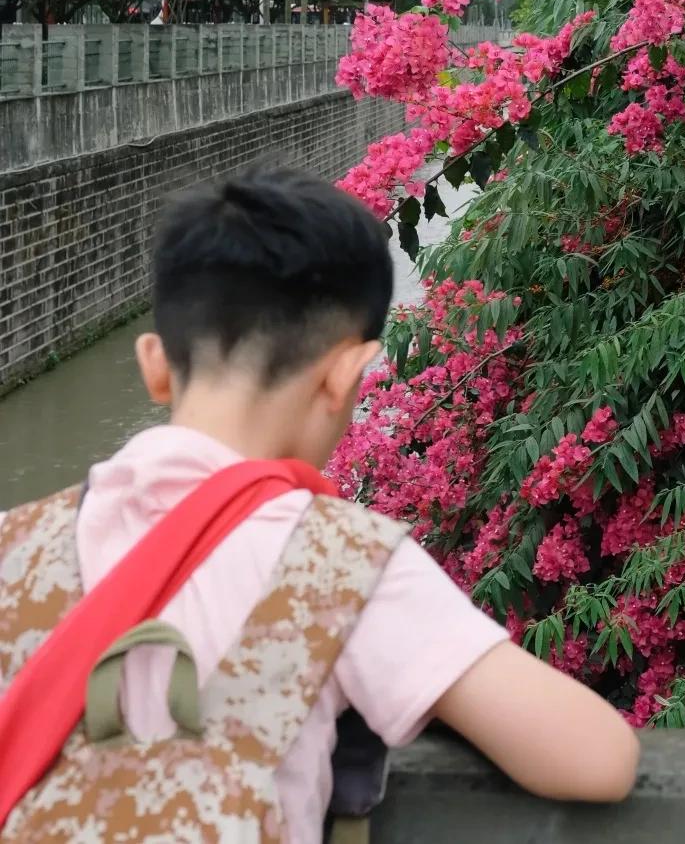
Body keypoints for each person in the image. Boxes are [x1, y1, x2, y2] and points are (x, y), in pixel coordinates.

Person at [0, 166, 639, 842]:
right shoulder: (340, 560)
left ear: (154, 364)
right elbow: (597, 760)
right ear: (346, 374)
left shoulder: (14, 544)